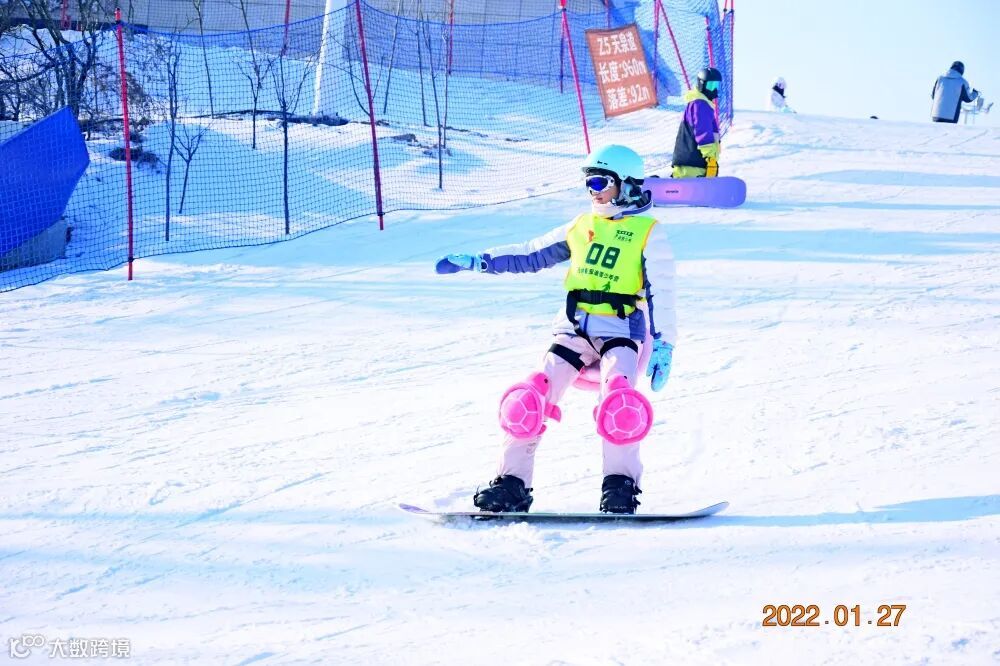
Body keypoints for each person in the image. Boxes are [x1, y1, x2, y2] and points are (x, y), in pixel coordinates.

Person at [435, 145, 678, 514]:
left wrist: (664, 343)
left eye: (601, 182)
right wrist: (478, 261)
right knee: (527, 401)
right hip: (573, 331)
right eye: (588, 183)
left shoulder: (648, 233)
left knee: (621, 405)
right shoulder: (581, 226)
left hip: (621, 331)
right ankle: (512, 485)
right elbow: (530, 253)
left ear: (626, 184)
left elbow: (663, 290)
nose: (593, 191)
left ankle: (620, 486)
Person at [671, 67, 722, 178]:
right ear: (701, 84)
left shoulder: (699, 103)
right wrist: (710, 157)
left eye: (716, 85)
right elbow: (703, 132)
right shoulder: (701, 105)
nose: (714, 89)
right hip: (694, 164)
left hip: (690, 164)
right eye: (711, 85)